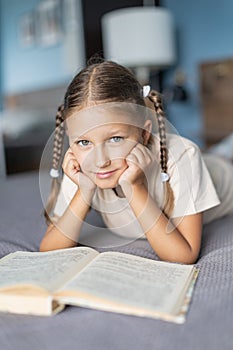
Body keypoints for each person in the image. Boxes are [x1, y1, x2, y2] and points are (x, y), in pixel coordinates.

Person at [39, 60, 233, 264]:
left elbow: (183, 255)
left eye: (115, 139)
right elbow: (49, 247)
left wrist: (135, 187)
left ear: (144, 132)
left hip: (224, 175)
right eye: (84, 142)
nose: (101, 161)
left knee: (222, 155)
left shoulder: (184, 156)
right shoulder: (83, 165)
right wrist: (84, 191)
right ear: (71, 139)